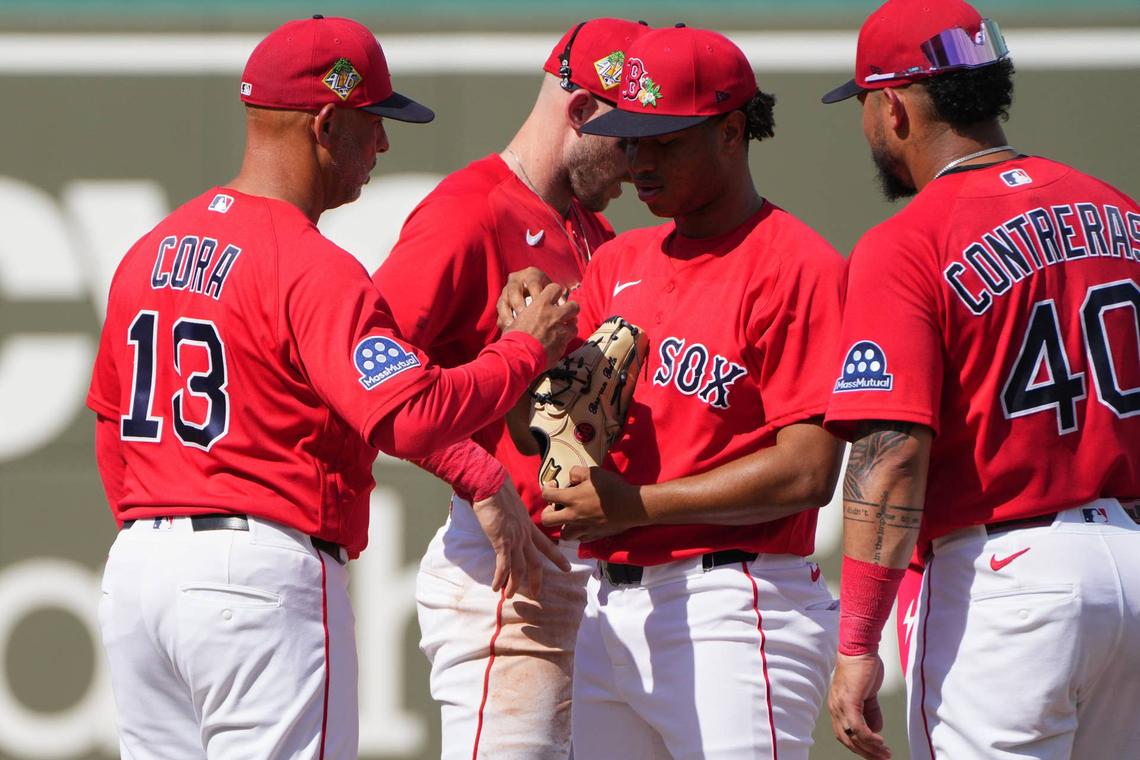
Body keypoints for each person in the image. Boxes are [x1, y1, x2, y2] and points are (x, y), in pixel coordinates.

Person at [87, 16, 578, 760]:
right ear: (324, 123)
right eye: (372, 122)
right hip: (254, 576)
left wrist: (157, 536)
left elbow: (110, 433)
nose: (382, 144)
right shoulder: (310, 266)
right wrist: (521, 350)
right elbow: (409, 417)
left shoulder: (148, 252)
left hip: (138, 574)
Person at [502, 25, 847, 759]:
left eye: (664, 140)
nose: (640, 161)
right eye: (630, 139)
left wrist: (637, 506)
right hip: (606, 604)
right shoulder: (618, 261)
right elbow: (542, 435)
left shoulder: (795, 264)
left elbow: (810, 472)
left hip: (735, 601)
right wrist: (523, 347)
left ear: (730, 132)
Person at [820, 1, 1140, 758]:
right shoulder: (1120, 213)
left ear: (892, 105)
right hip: (1129, 560)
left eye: (866, 104)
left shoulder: (908, 241)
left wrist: (860, 639)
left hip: (1010, 581)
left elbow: (892, 453)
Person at [371, 18, 649, 759]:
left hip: (582, 567)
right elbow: (371, 378)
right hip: (505, 568)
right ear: (582, 112)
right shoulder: (470, 211)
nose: (640, 163)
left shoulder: (597, 231)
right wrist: (481, 480)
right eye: (630, 140)